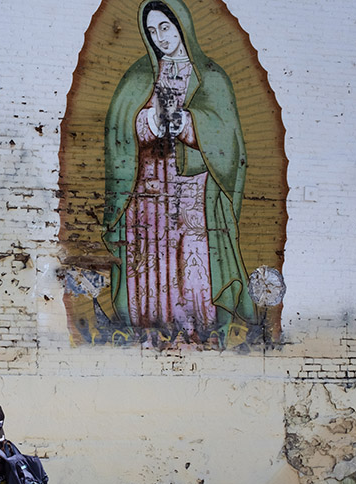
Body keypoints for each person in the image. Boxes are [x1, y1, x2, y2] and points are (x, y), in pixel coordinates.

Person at [101, 0, 255, 346]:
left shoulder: (210, 76)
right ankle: (151, 332)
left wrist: (187, 122)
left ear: (182, 25)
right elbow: (118, 126)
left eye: (166, 28)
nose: (160, 38)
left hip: (192, 190)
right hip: (147, 190)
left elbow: (227, 139)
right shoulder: (140, 76)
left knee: (191, 258)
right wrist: (147, 122)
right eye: (152, 31)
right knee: (151, 259)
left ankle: (198, 330)